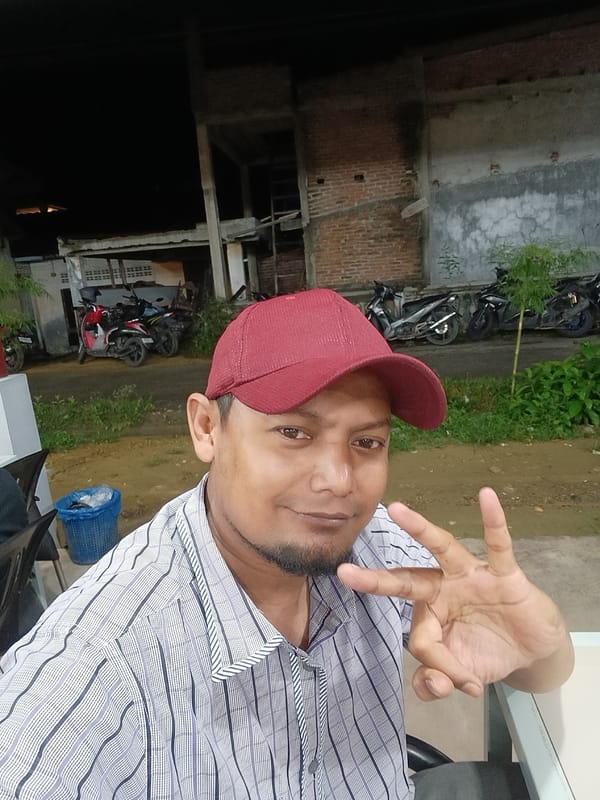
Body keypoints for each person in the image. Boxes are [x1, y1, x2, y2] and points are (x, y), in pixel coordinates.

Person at [0, 288, 573, 800]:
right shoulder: (98, 670)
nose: (339, 481)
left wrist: (534, 643)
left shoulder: (376, 550)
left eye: (367, 441)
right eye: (293, 432)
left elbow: (540, 670)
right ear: (207, 429)